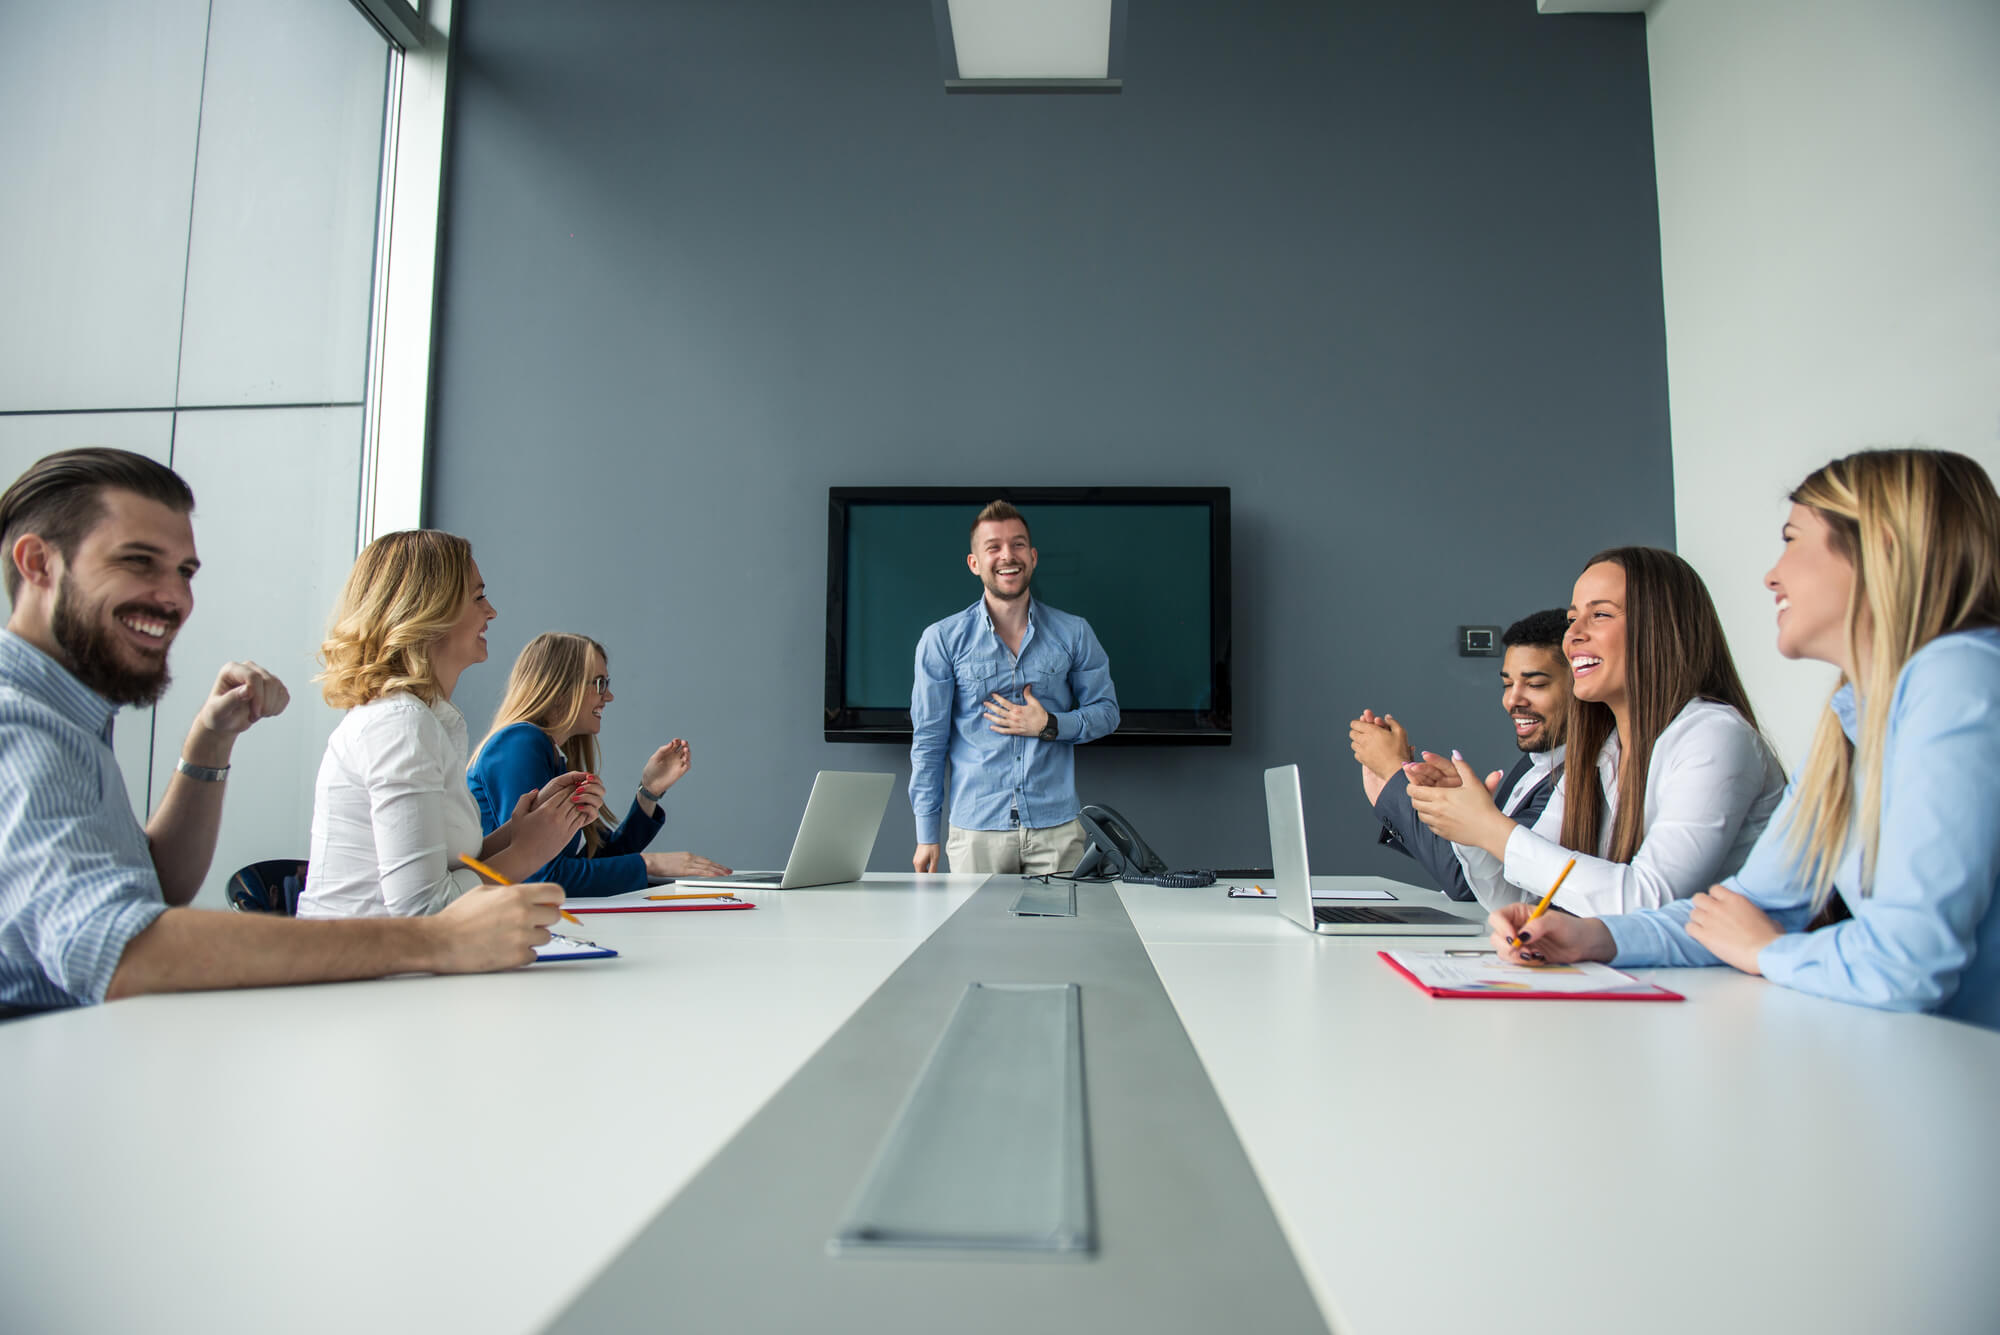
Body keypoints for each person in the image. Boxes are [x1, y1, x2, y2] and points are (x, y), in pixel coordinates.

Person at [0, 449, 561, 1012]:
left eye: (185, 571)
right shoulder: (19, 721)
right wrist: (436, 940)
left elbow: (155, 888)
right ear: (38, 565)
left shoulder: (72, 715)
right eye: (138, 561)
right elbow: (117, 947)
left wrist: (209, 744)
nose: (175, 597)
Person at [1491, 450, 2000, 1028]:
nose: (1771, 575)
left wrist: (1767, 951)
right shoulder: (1854, 723)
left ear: (1881, 548)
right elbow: (1743, 910)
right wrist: (1590, 937)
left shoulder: (1959, 675)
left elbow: (1906, 963)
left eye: (1793, 539)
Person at [1408, 547, 1785, 915]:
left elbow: (1650, 901)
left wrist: (1490, 828)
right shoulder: (1603, 752)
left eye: (1600, 614)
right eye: (1573, 618)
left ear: (1662, 628)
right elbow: (1523, 903)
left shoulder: (1714, 736)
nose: (1573, 635)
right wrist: (1470, 832)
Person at [299, 531, 606, 919]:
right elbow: (424, 909)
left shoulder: (422, 721)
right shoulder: (401, 727)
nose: (491, 611)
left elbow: (445, 871)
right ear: (430, 611)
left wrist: (522, 830)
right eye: (478, 597)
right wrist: (528, 852)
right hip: (362, 970)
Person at [910, 500, 1120, 875]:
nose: (1008, 555)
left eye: (1018, 544)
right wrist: (927, 834)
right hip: (976, 831)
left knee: (1058, 936)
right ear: (975, 563)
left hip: (1057, 831)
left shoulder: (1074, 633)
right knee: (976, 936)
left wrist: (1049, 724)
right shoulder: (941, 640)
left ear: (1033, 556)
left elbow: (1107, 713)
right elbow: (929, 741)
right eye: (993, 546)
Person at [467, 632, 730, 894]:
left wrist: (649, 792)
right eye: (599, 683)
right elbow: (539, 876)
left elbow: (591, 863)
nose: (609, 696)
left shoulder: (549, 753)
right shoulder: (519, 743)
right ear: (560, 687)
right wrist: (650, 864)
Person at [1350, 608, 1571, 900]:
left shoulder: (1576, 779)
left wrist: (1394, 776)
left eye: (1536, 684)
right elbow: (1481, 867)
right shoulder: (1533, 763)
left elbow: (1472, 885)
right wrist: (1445, 806)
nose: (1512, 700)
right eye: (1507, 684)